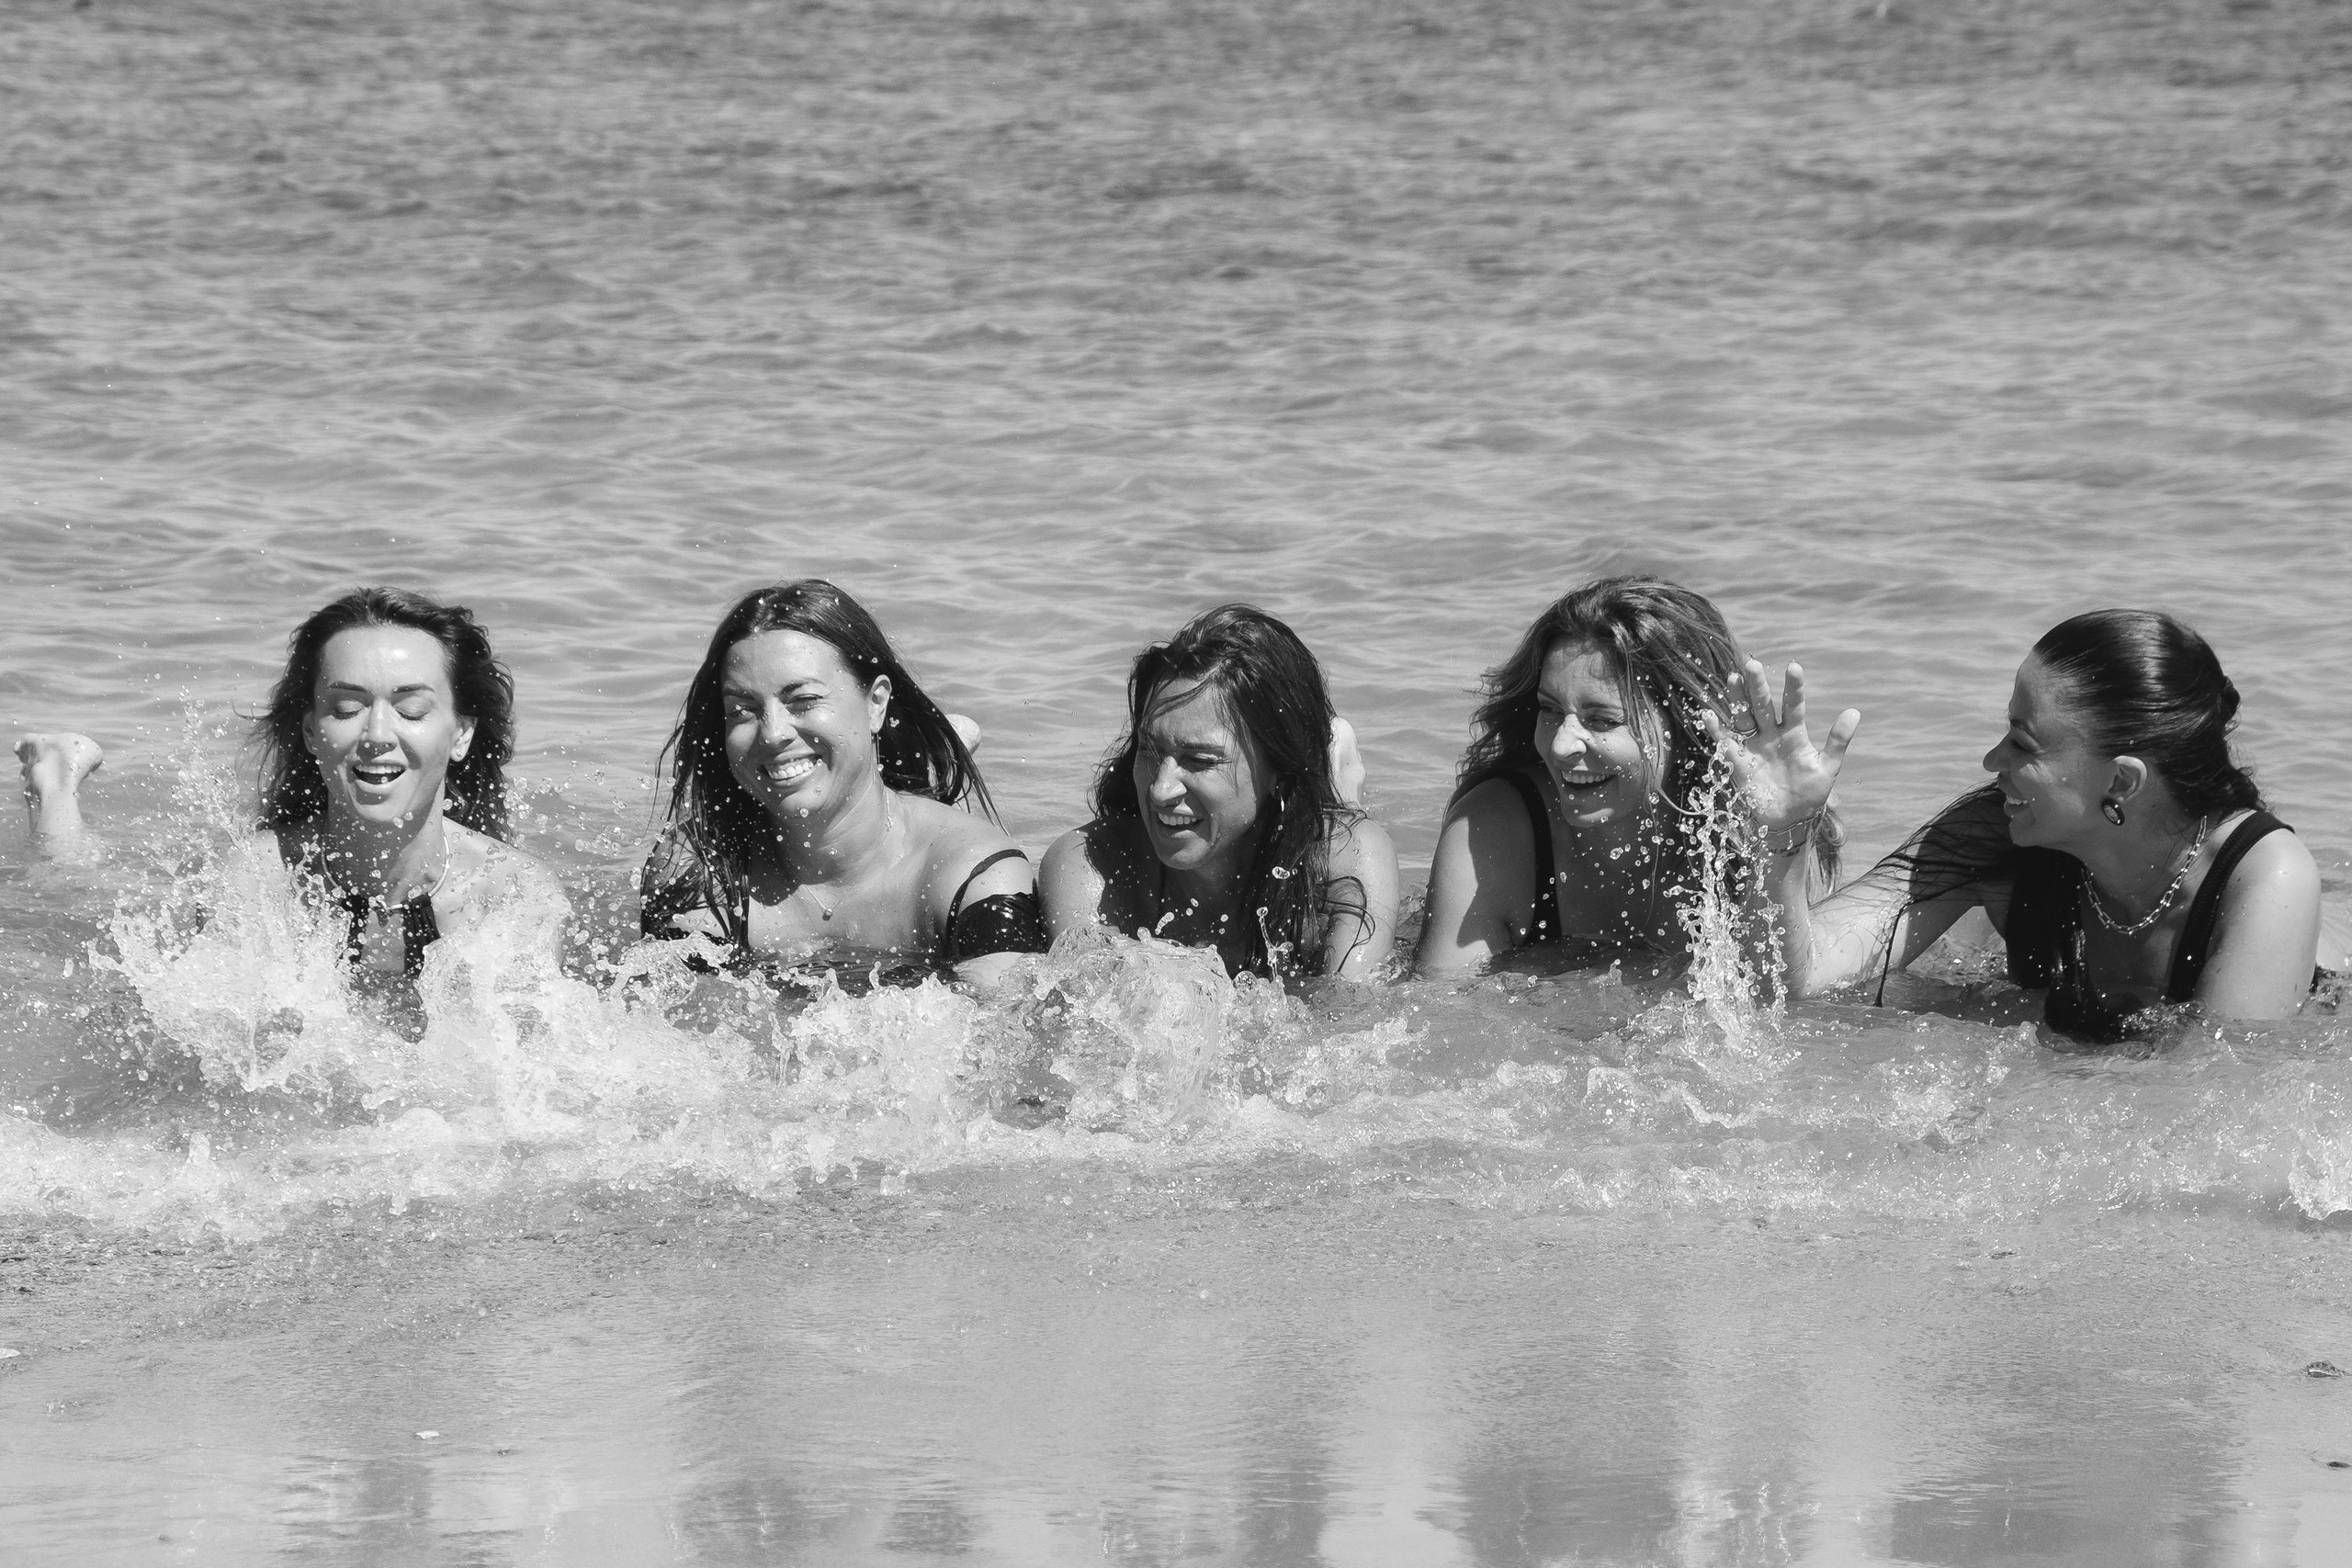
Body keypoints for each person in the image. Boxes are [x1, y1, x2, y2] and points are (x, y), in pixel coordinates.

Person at [1782, 609, 2326, 1040]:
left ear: (2120, 783)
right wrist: (1784, 830)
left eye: (2023, 743)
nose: (1992, 761)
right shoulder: (1999, 832)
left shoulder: (2267, 878)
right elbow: (1800, 977)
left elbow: (2214, 1102)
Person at [18, 586, 565, 977]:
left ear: (462, 734)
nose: (377, 733)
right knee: (77, 892)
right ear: (309, 730)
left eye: (412, 709)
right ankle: (56, 783)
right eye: (346, 707)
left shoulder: (513, 896)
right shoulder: (255, 882)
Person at [1413, 575, 1855, 980]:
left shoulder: (1761, 822)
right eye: (1549, 710)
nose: (1562, 745)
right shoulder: (1495, 829)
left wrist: (1781, 842)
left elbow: (1782, 998)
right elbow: (1440, 1016)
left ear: (1685, 727)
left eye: (1602, 720)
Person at [639, 580, 1045, 987]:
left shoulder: (974, 876)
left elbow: (1002, 1030)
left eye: (804, 700)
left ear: (876, 704)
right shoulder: (700, 868)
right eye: (743, 710)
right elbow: (682, 1024)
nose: (773, 734)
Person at [1040, 604, 1398, 982]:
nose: (1161, 790)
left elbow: (1352, 1014)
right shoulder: (1091, 866)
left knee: (1339, 814)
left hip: (1298, 816)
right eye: (1150, 749)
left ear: (1279, 765)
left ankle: (1335, 769)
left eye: (1199, 759)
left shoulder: (1347, 861)